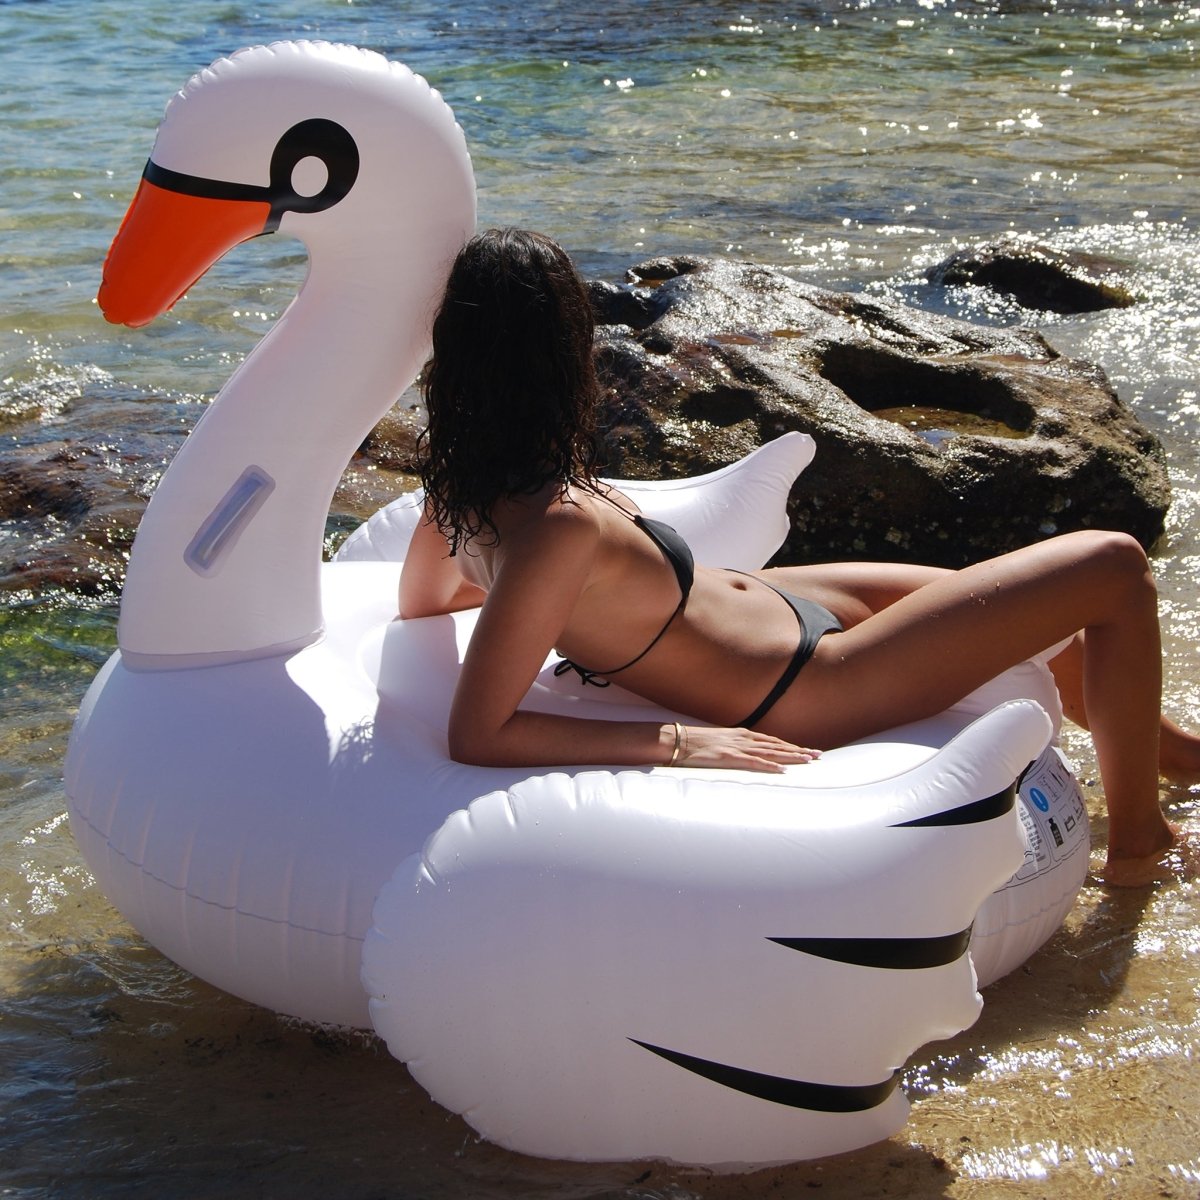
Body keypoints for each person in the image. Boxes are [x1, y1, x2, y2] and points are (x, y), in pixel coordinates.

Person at [400, 227, 1200, 887]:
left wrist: (539, 608)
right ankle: (1139, 844)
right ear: (563, 352)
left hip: (783, 601)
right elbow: (480, 733)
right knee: (1114, 567)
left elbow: (427, 600)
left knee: (1039, 612)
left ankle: (1180, 759)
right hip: (810, 683)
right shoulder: (557, 524)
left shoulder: (465, 485)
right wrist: (676, 741)